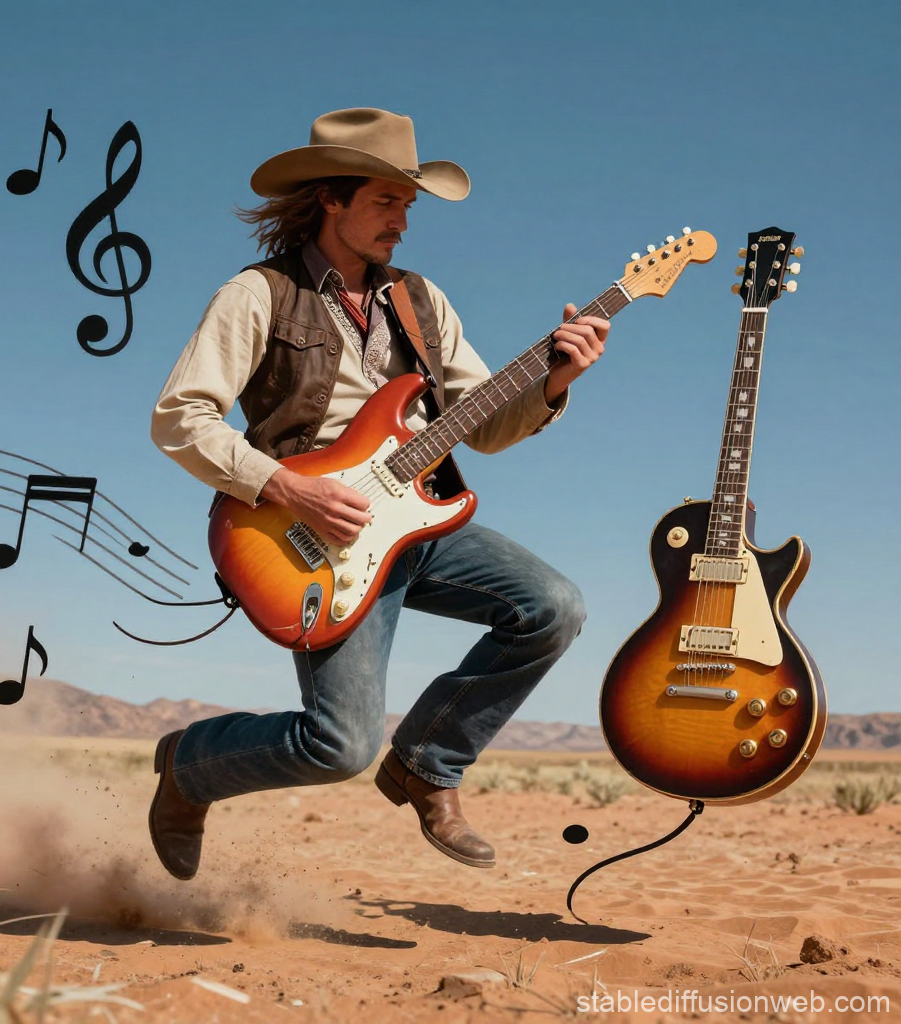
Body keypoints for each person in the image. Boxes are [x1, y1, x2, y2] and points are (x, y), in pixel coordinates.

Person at [148, 108, 610, 881]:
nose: (403, 221)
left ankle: (429, 763)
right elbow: (180, 418)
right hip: (308, 537)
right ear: (330, 198)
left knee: (553, 607)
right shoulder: (258, 293)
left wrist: (556, 378)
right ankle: (188, 765)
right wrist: (289, 487)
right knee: (338, 748)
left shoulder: (422, 302)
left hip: (417, 523)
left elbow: (485, 428)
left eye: (408, 204)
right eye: (385, 202)